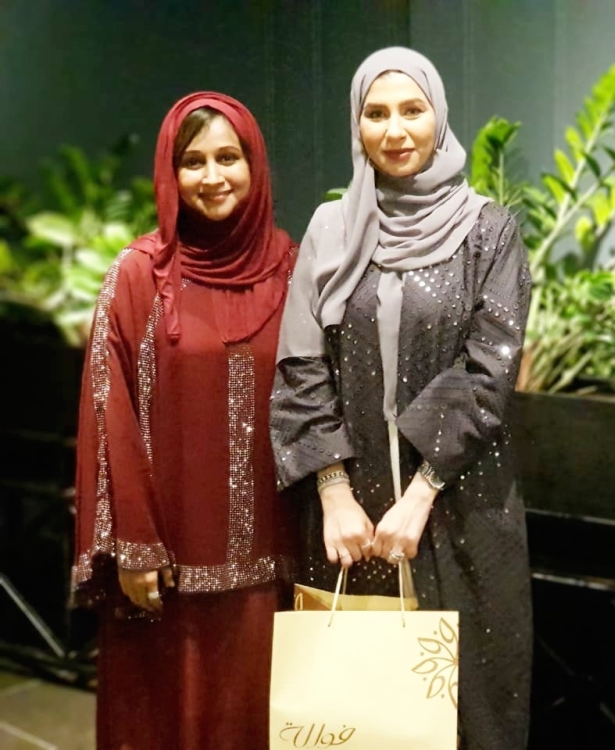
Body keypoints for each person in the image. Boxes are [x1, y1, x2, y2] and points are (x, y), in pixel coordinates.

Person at [270, 47, 532, 749]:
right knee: (364, 717)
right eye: (375, 113)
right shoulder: (330, 228)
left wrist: (421, 493)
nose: (395, 130)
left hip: (461, 502)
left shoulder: (489, 230)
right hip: (350, 518)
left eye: (412, 110)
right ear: (357, 126)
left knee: (471, 708)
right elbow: (299, 366)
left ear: (438, 116)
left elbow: (490, 367)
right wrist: (331, 490)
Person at [72, 92, 298, 749]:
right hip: (167, 569)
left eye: (229, 157)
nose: (213, 176)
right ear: (170, 177)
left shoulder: (296, 268)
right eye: (192, 162)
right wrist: (135, 545)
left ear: (255, 167)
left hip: (273, 560)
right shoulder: (138, 276)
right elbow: (107, 410)